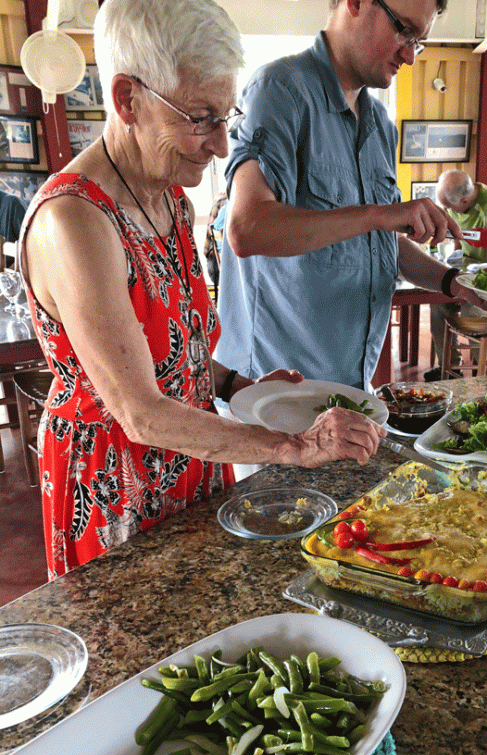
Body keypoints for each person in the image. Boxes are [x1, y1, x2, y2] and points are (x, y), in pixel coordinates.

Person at [19, 0, 385, 580]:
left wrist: (238, 384)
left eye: (225, 118)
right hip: (115, 490)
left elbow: (177, 352)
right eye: (200, 118)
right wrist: (293, 447)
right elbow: (140, 413)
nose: (220, 146)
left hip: (192, 463)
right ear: (126, 99)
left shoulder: (170, 199)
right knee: (141, 658)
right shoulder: (75, 222)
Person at [215, 0, 487, 390]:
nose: (410, 55)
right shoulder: (279, 91)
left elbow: (383, 243)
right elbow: (247, 229)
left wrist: (452, 282)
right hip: (276, 394)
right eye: (403, 30)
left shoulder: (380, 125)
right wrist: (377, 214)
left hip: (351, 387)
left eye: (419, 41)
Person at [425, 170, 487, 379]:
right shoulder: (458, 201)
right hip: (467, 271)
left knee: (471, 314)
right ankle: (449, 369)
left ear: (465, 200)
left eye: (448, 208)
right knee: (437, 303)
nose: (446, 212)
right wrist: (454, 256)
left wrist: (477, 280)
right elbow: (458, 238)